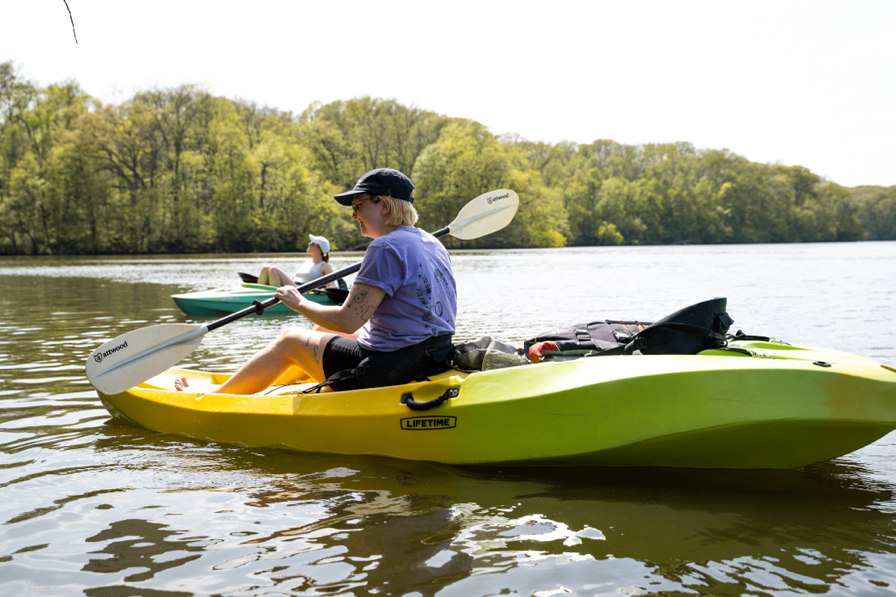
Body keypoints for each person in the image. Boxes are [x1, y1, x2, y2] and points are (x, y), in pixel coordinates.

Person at [176, 168, 457, 395]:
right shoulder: (431, 242)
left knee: (290, 339)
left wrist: (299, 302)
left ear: (384, 205)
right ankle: (289, 384)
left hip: (391, 366)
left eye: (358, 205)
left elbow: (348, 321)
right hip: (434, 354)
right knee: (321, 326)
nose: (353, 214)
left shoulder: (384, 247)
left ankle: (217, 397)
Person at [257, 234, 335, 288]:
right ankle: (257, 294)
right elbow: (293, 279)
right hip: (293, 286)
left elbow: (332, 285)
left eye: (312, 243)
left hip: (302, 290)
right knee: (266, 268)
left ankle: (272, 300)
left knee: (274, 269)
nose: (309, 243)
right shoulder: (306, 262)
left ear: (319, 249)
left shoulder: (325, 266)